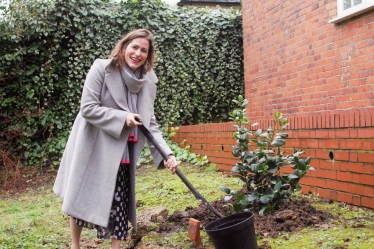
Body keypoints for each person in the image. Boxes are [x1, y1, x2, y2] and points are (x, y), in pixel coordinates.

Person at [53, 28, 177, 249]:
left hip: (124, 151)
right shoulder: (102, 68)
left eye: (144, 50)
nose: (138, 53)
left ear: (149, 56)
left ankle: (116, 247)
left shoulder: (147, 82)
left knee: (120, 199)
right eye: (135, 47)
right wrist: (123, 118)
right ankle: (75, 245)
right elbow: (88, 108)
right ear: (123, 47)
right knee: (82, 195)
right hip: (94, 145)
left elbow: (150, 124)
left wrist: (167, 153)